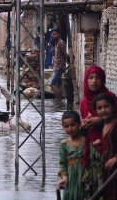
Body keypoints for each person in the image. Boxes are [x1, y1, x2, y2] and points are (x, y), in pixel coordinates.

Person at [79, 66, 117, 199]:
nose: (94, 81)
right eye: (91, 78)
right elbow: (85, 135)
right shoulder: (84, 102)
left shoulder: (111, 98)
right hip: (93, 152)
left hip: (111, 151)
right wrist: (83, 126)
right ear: (86, 80)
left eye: (98, 78)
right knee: (93, 188)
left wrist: (98, 120)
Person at [93, 93, 117, 200]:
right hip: (108, 168)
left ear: (113, 107)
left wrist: (116, 158)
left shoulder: (115, 125)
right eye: (100, 108)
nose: (103, 110)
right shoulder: (105, 125)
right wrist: (101, 142)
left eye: (106, 106)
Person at [58, 111, 85, 200]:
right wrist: (64, 178)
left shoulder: (86, 142)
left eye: (73, 125)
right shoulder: (64, 144)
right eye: (66, 126)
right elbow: (62, 164)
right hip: (70, 180)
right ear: (63, 127)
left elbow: (91, 160)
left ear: (79, 124)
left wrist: (88, 173)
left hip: (84, 178)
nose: (70, 128)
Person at [50, 29, 67, 100]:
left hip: (60, 66)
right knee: (58, 84)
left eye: (55, 34)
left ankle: (58, 98)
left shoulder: (61, 43)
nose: (54, 35)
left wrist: (67, 62)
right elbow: (53, 53)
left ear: (59, 34)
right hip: (56, 66)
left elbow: (65, 53)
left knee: (52, 83)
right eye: (53, 34)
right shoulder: (56, 43)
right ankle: (59, 99)